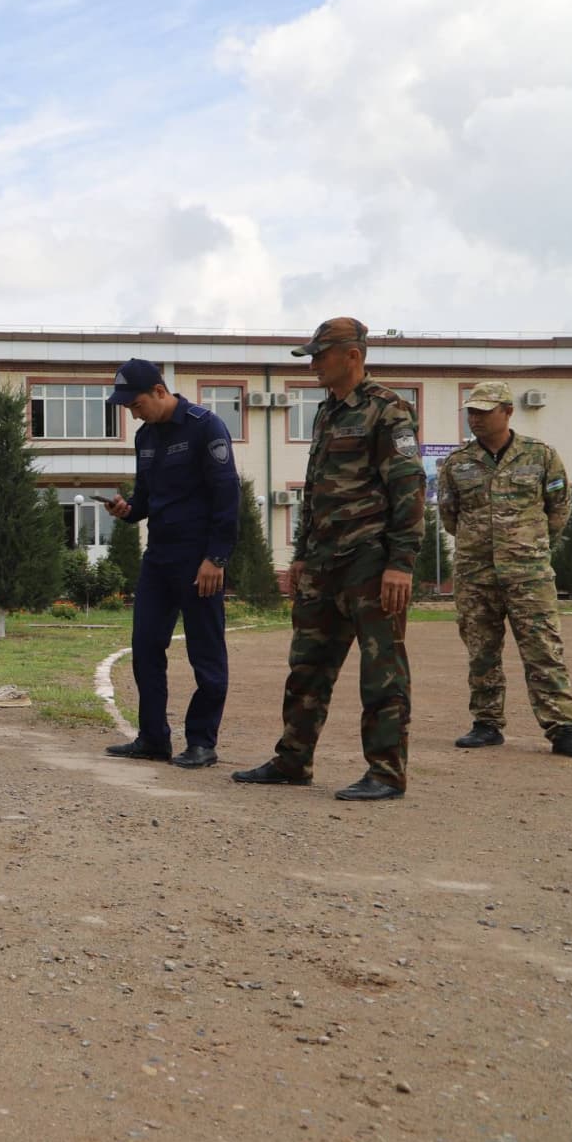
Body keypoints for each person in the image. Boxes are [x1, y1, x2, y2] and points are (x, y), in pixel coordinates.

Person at [233, 318, 424, 800]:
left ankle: (385, 773)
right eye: (312, 356)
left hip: (370, 561)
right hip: (322, 562)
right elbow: (315, 490)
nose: (314, 364)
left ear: (352, 355)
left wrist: (400, 562)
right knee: (307, 666)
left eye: (321, 355)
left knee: (381, 670)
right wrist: (299, 555)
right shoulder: (325, 413)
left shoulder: (388, 410)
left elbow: (408, 488)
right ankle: (293, 759)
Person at [436, 381, 572, 760]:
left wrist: (527, 545)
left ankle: (563, 729)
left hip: (529, 574)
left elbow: (558, 510)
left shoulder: (540, 456)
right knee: (481, 651)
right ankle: (486, 724)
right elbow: (449, 518)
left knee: (543, 649)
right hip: (476, 574)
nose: (475, 418)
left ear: (507, 412)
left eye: (483, 411)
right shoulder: (458, 463)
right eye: (471, 411)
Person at [100, 359, 239, 769]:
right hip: (159, 558)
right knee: (145, 647)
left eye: (137, 404)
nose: (133, 413)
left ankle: (201, 742)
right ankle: (153, 738)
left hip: (199, 561)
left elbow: (227, 495)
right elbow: (145, 500)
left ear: (160, 391)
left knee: (205, 653)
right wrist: (126, 510)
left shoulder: (205, 426)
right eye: (127, 408)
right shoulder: (145, 438)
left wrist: (217, 558)